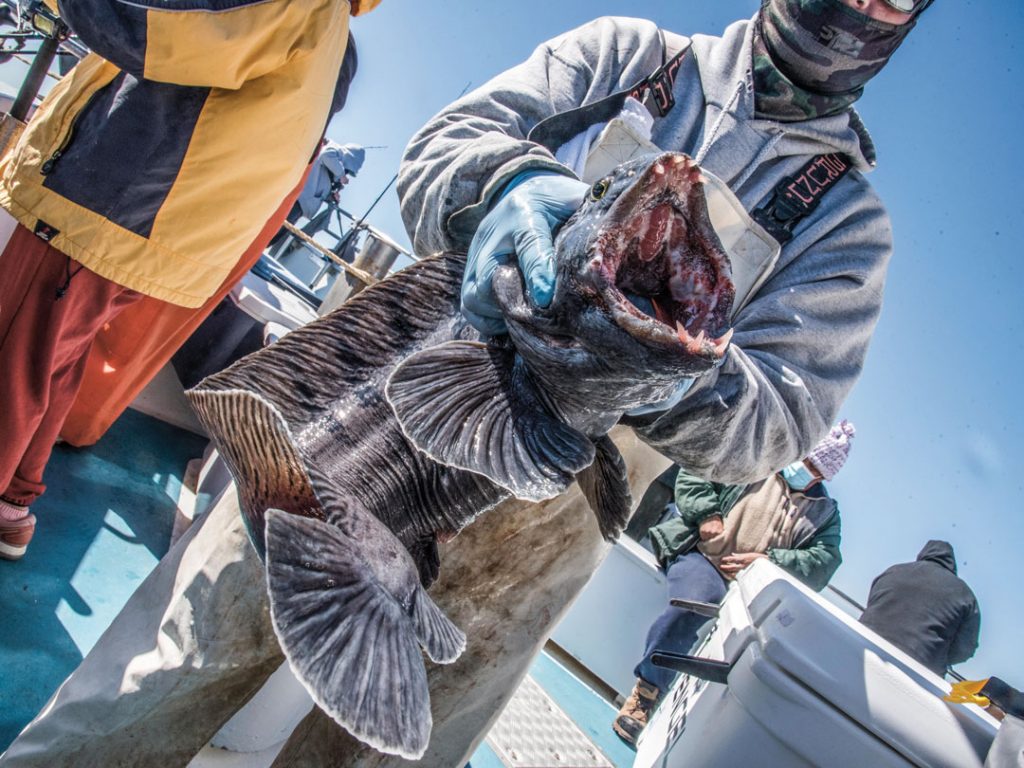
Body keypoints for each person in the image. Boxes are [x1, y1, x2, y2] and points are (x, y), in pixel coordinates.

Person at [399, 0, 934, 489]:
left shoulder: (849, 227)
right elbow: (439, 149)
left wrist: (665, 377)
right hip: (388, 379)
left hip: (543, 523)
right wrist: (505, 183)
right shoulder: (623, 52)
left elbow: (777, 426)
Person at [0, 0, 380, 561]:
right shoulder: (332, 38)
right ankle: (13, 505)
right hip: (150, 229)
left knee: (15, 357)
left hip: (103, 203)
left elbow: (157, 30)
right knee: (54, 360)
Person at [612, 419, 854, 745]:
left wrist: (770, 561)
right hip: (701, 557)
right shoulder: (757, 459)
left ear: (824, 477)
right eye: (805, 458)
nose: (804, 468)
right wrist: (707, 514)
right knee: (696, 603)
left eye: (814, 468)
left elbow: (825, 562)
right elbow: (696, 473)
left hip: (749, 591)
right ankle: (646, 693)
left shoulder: (826, 514)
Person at [859, 540, 981, 676]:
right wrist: (939, 653)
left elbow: (873, 605)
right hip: (920, 674)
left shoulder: (893, 571)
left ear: (923, 555)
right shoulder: (966, 595)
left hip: (862, 650)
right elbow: (964, 650)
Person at [267, 139, 366, 251]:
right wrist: (342, 175)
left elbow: (321, 186)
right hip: (296, 200)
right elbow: (326, 155)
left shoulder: (334, 169)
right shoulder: (335, 151)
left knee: (276, 235)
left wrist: (332, 196)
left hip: (301, 207)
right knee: (270, 231)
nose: (347, 172)